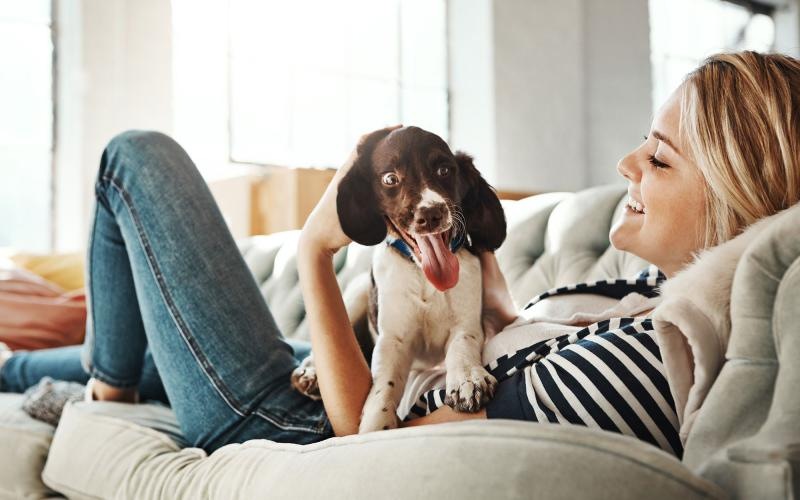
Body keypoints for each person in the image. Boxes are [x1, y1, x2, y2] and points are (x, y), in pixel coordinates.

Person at [1, 51, 798, 456]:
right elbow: (488, 332)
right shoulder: (631, 298)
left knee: (134, 157)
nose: (626, 165)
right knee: (118, 342)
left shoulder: (655, 356)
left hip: (294, 425)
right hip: (313, 372)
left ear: (738, 200)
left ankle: (101, 404)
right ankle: (27, 371)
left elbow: (370, 441)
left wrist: (317, 251)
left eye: (659, 159)